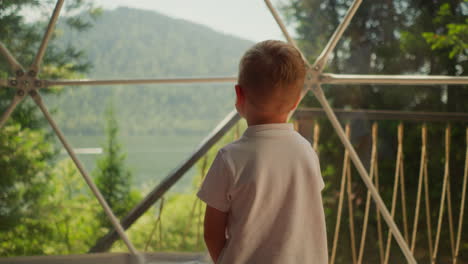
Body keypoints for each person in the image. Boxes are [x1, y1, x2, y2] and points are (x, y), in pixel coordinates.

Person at [197, 40, 328, 264]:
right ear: (296, 102)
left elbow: (212, 231)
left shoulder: (230, 158)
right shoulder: (306, 152)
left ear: (239, 95)